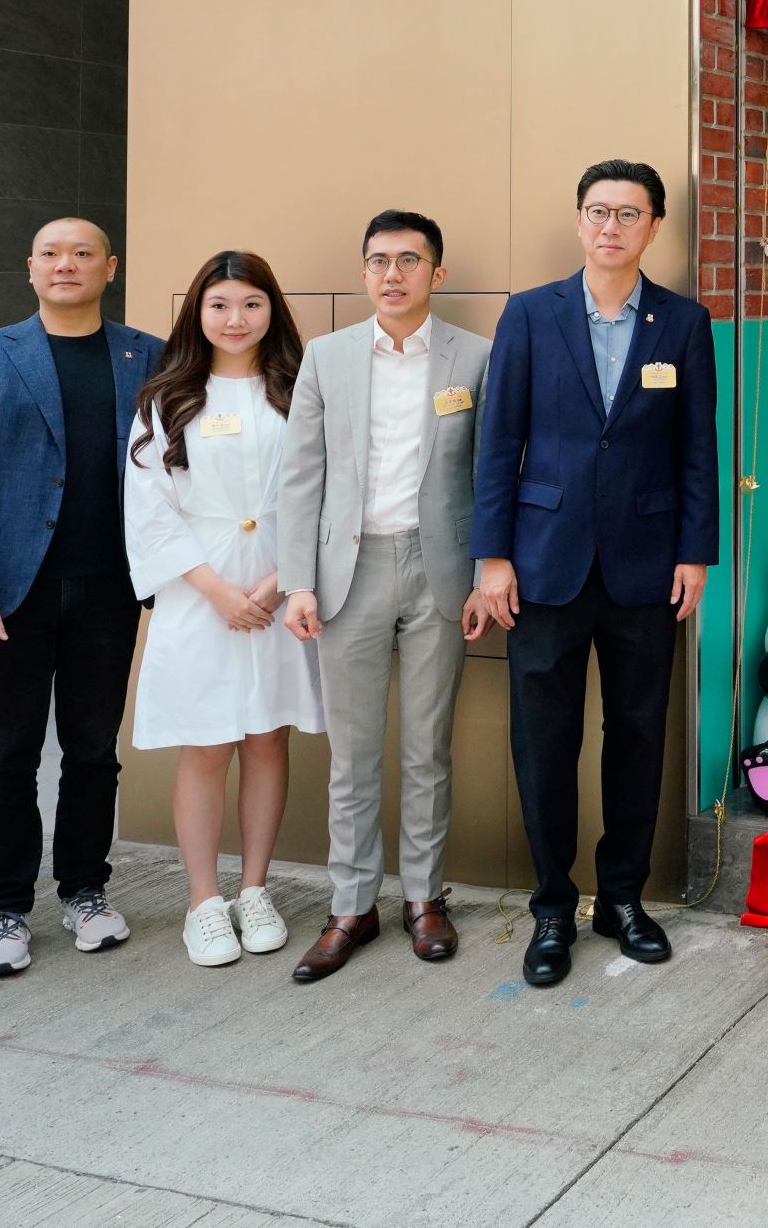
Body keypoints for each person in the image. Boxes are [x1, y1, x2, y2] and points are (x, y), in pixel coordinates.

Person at [471, 160, 717, 988]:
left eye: (629, 213)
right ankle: (551, 904)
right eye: (597, 211)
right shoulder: (531, 315)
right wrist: (492, 555)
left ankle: (623, 898)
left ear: (653, 228)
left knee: (639, 736)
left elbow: (695, 448)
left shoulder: (681, 323)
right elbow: (498, 441)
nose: (611, 227)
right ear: (579, 221)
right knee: (544, 740)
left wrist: (695, 553)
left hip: (648, 566)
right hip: (542, 565)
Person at [0, 217, 158, 979]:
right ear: (30, 268)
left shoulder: (146, 356)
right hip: (10, 595)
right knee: (8, 757)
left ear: (109, 267)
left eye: (83, 254)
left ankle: (86, 892)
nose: (68, 265)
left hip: (109, 588)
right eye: (53, 254)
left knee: (94, 751)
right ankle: (5, 909)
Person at [277, 210, 490, 981]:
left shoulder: (476, 357)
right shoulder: (327, 357)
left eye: (408, 260)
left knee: (427, 748)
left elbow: (493, 474)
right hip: (349, 571)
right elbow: (299, 478)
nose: (392, 274)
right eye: (378, 261)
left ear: (437, 272)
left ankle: (424, 900)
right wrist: (298, 580)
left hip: (440, 569)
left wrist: (484, 571)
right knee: (353, 753)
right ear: (363, 272)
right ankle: (350, 906)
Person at [126, 250, 321, 968]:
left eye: (250, 304)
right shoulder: (167, 396)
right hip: (198, 593)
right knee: (206, 742)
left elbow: (324, 493)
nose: (235, 319)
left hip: (280, 588)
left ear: (272, 310)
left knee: (269, 736)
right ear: (197, 314)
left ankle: (255, 888)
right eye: (219, 305)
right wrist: (215, 589)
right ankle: (204, 903)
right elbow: (149, 511)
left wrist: (276, 582)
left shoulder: (299, 390)